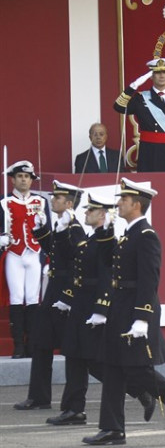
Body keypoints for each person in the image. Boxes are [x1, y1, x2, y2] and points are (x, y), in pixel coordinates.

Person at [83, 178, 165, 445]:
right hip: (120, 306)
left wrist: (142, 318)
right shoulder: (127, 235)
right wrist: (104, 231)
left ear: (136, 204)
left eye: (123, 200)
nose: (118, 204)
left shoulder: (147, 236)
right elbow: (108, 264)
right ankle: (112, 428)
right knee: (112, 368)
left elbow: (150, 280)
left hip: (135, 308)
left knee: (137, 370)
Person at [48, 193, 155, 426]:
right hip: (80, 304)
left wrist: (101, 308)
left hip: (93, 307)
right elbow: (71, 258)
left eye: (90, 211)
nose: (85, 213)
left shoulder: (108, 241)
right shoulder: (92, 238)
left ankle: (140, 391)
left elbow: (108, 277)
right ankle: (74, 409)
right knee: (75, 356)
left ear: (102, 215)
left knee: (95, 361)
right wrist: (59, 231)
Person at [14, 180, 82, 413]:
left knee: (84, 356)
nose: (52, 200)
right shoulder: (61, 226)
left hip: (65, 297)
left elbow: (77, 265)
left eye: (58, 198)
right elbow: (54, 250)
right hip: (53, 292)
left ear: (69, 203)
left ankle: (136, 388)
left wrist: (68, 296)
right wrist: (41, 230)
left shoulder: (74, 229)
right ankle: (39, 397)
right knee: (40, 344)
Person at [0, 161, 51, 360]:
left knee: (32, 298)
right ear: (13, 179)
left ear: (31, 180)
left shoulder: (41, 202)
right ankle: (18, 346)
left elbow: (48, 233)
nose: (24, 180)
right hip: (14, 253)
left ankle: (31, 343)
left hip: (34, 253)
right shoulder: (4, 202)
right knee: (16, 297)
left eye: (27, 177)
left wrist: (48, 257)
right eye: (20, 176)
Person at [113, 58, 165, 172]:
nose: (161, 76)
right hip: (150, 153)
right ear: (150, 76)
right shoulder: (140, 98)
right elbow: (118, 106)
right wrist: (133, 86)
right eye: (157, 72)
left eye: (164, 72)